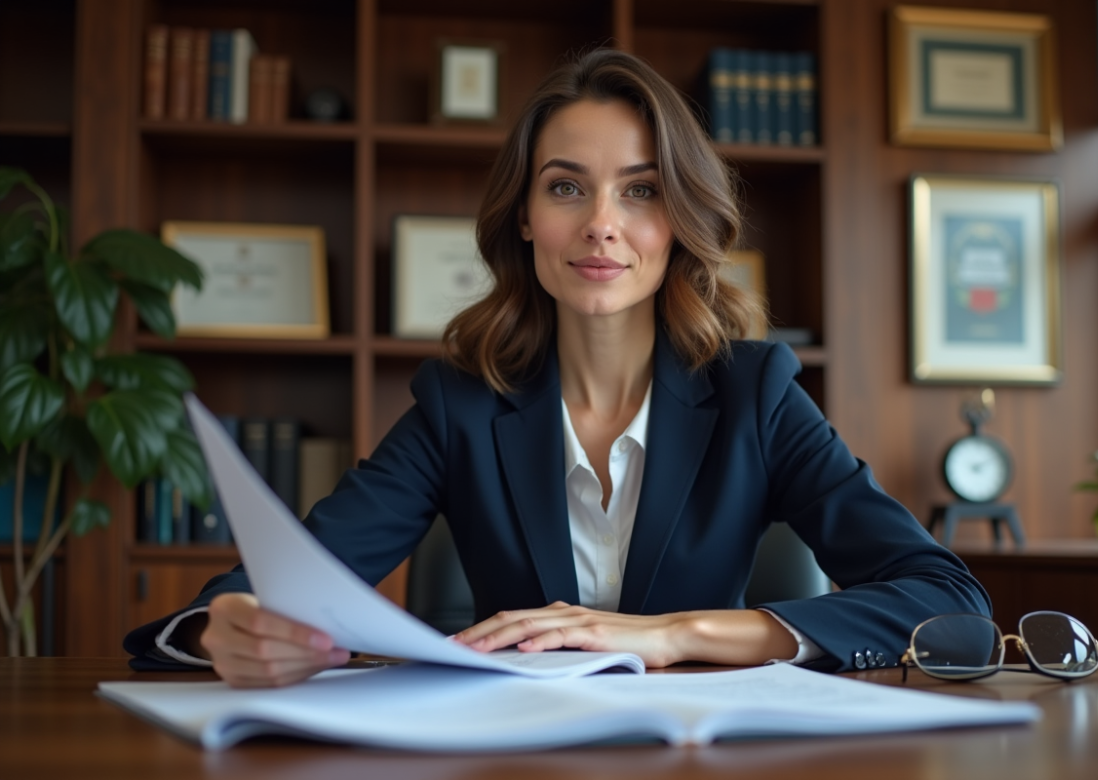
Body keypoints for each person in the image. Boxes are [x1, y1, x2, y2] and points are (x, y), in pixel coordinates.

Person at [124, 48, 990, 688]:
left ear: (680, 220)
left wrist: (673, 634)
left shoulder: (754, 395)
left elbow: (948, 600)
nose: (601, 223)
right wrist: (222, 629)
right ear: (526, 216)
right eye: (567, 187)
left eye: (641, 190)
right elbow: (281, 582)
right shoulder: (460, 405)